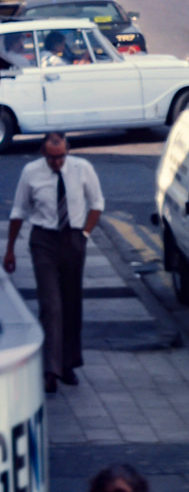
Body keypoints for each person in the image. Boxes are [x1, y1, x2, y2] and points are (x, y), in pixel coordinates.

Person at [3, 132, 105, 393]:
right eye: (51, 158)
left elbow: (97, 204)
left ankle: (68, 364)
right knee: (51, 305)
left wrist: (84, 235)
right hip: (44, 241)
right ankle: (51, 369)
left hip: (73, 238)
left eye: (61, 157)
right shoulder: (31, 172)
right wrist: (10, 249)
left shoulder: (83, 169)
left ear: (67, 150)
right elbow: (19, 210)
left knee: (71, 302)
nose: (57, 163)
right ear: (43, 153)